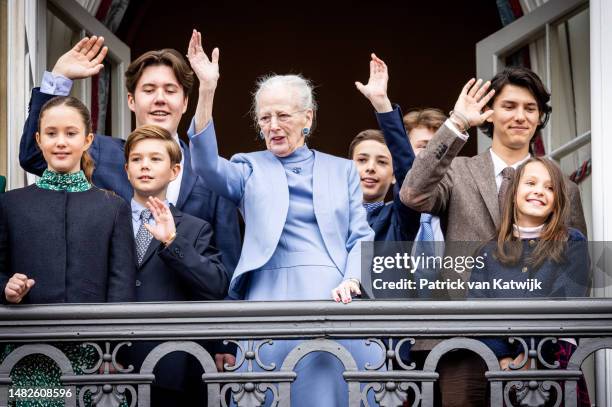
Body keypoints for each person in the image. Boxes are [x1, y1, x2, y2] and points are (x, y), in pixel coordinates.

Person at [185, 30, 378, 406]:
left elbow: (360, 235)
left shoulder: (343, 171)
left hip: (334, 294)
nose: (272, 125)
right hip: (268, 297)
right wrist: (207, 88)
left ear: (308, 117)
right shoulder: (248, 167)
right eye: (264, 118)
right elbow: (206, 166)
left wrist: (353, 279)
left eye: (283, 115)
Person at [400, 67, 588, 406]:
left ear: (540, 116)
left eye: (530, 108)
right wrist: (456, 123)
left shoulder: (564, 188)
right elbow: (412, 194)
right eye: (509, 106)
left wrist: (543, 345)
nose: (520, 116)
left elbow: (575, 278)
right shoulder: (458, 170)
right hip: (462, 339)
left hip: (539, 350)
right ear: (490, 113)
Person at [18, 35, 241, 278]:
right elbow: (34, 157)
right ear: (131, 100)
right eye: (149, 90)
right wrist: (59, 79)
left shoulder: (211, 174)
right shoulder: (100, 153)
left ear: (185, 102)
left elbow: (227, 268)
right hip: (109, 307)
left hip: (181, 311)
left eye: (170, 90)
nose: (160, 99)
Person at [0, 96, 135, 407]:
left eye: (71, 133)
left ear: (87, 139)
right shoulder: (10, 204)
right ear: (38, 139)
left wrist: (113, 352)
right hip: (25, 356)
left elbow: (121, 288)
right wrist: (7, 288)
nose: (61, 142)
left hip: (95, 357)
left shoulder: (112, 206)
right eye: (51, 133)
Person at [469, 157, 591, 406]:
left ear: (558, 200)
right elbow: (476, 310)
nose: (539, 191)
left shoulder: (572, 242)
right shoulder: (487, 252)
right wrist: (502, 357)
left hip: (555, 361)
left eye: (549, 188)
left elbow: (565, 300)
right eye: (531, 183)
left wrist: (531, 354)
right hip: (501, 370)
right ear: (514, 194)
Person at [122, 124, 229, 406]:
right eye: (137, 159)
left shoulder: (195, 229)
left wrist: (172, 240)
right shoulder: (108, 220)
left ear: (175, 171)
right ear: (126, 169)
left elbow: (216, 285)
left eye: (155, 159)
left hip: (174, 365)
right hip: (116, 363)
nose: (145, 166)